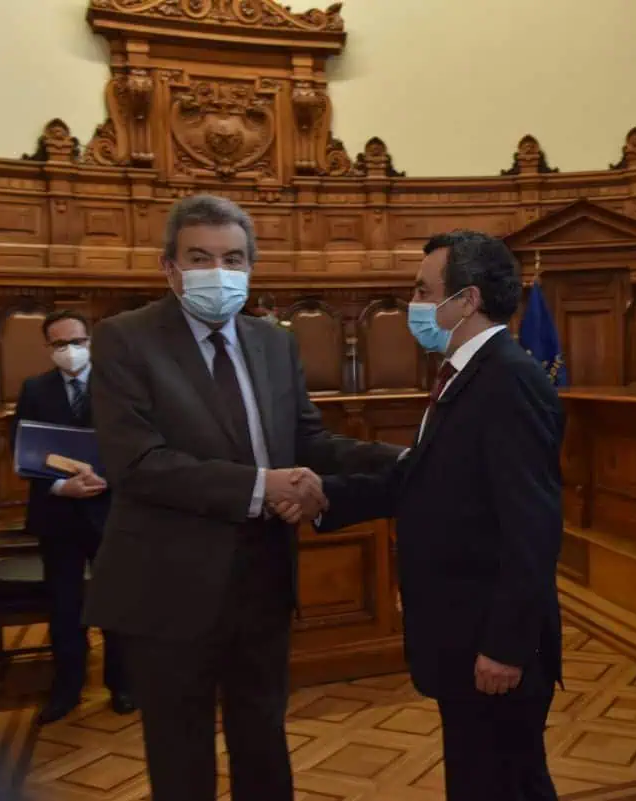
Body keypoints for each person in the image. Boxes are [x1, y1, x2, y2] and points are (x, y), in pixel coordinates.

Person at [85, 194, 401, 801]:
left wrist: (401, 459)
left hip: (262, 572)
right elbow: (139, 464)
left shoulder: (272, 341)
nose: (218, 272)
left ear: (250, 268)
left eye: (232, 259)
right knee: (180, 754)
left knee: (263, 736)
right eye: (199, 257)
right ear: (170, 268)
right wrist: (262, 487)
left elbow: (306, 439)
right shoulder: (124, 339)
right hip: (168, 580)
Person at [302, 230, 564, 801]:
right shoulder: (463, 374)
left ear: (467, 300)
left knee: (507, 785)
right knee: (481, 782)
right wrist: (326, 496)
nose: (414, 303)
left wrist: (506, 646)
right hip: (461, 633)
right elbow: (426, 481)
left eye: (423, 291)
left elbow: (533, 527)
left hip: (492, 644)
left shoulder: (508, 380)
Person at [12, 309, 134, 725]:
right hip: (58, 513)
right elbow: (24, 452)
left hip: (110, 509)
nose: (70, 350)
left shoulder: (119, 385)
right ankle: (67, 688)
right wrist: (63, 486)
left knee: (117, 601)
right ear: (48, 347)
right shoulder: (34, 389)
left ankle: (122, 684)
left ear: (91, 342)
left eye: (78, 342)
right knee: (65, 606)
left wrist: (107, 480)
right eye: (60, 344)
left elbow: (136, 444)